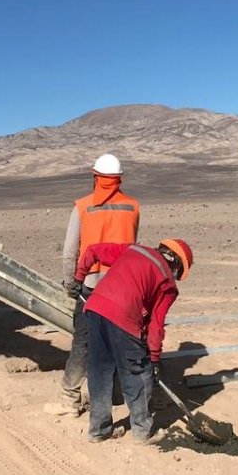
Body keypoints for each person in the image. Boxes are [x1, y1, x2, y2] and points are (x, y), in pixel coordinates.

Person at [70, 238, 192, 444]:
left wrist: (78, 279)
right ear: (176, 265)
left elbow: (92, 250)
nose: (176, 277)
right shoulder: (167, 283)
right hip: (123, 317)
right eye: (178, 274)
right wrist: (153, 358)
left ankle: (98, 430)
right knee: (138, 373)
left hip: (95, 308)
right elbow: (156, 324)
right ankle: (143, 432)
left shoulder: (133, 249)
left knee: (99, 371)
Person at [47, 153, 140, 417]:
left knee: (83, 343)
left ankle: (69, 400)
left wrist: (70, 282)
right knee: (122, 342)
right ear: (119, 179)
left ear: (95, 177)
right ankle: (119, 395)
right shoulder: (133, 206)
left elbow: (69, 250)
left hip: (91, 287)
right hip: (124, 288)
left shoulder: (83, 207)